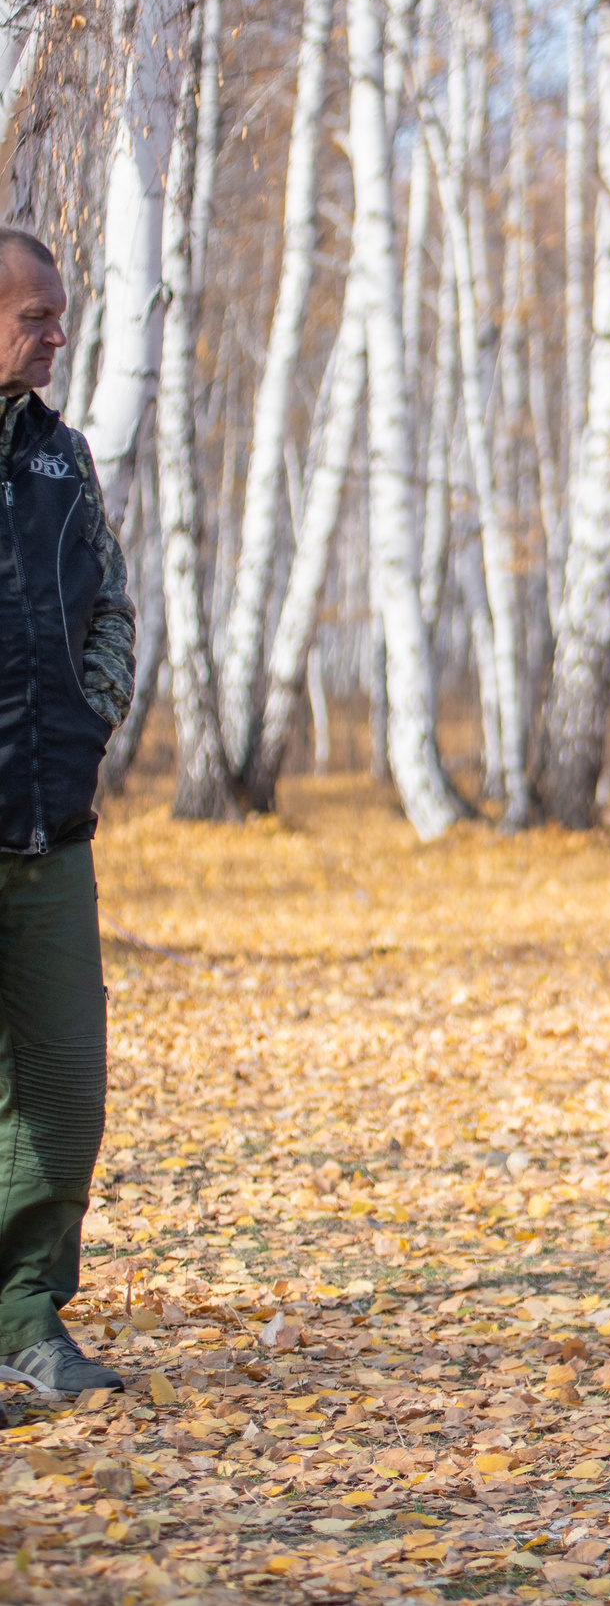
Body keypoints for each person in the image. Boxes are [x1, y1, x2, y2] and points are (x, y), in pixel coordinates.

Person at [0, 228, 133, 1401]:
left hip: (49, 827)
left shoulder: (60, 456)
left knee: (64, 1092)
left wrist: (91, 718)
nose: (56, 332)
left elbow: (110, 602)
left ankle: (27, 1314)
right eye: (34, 314)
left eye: (58, 312)